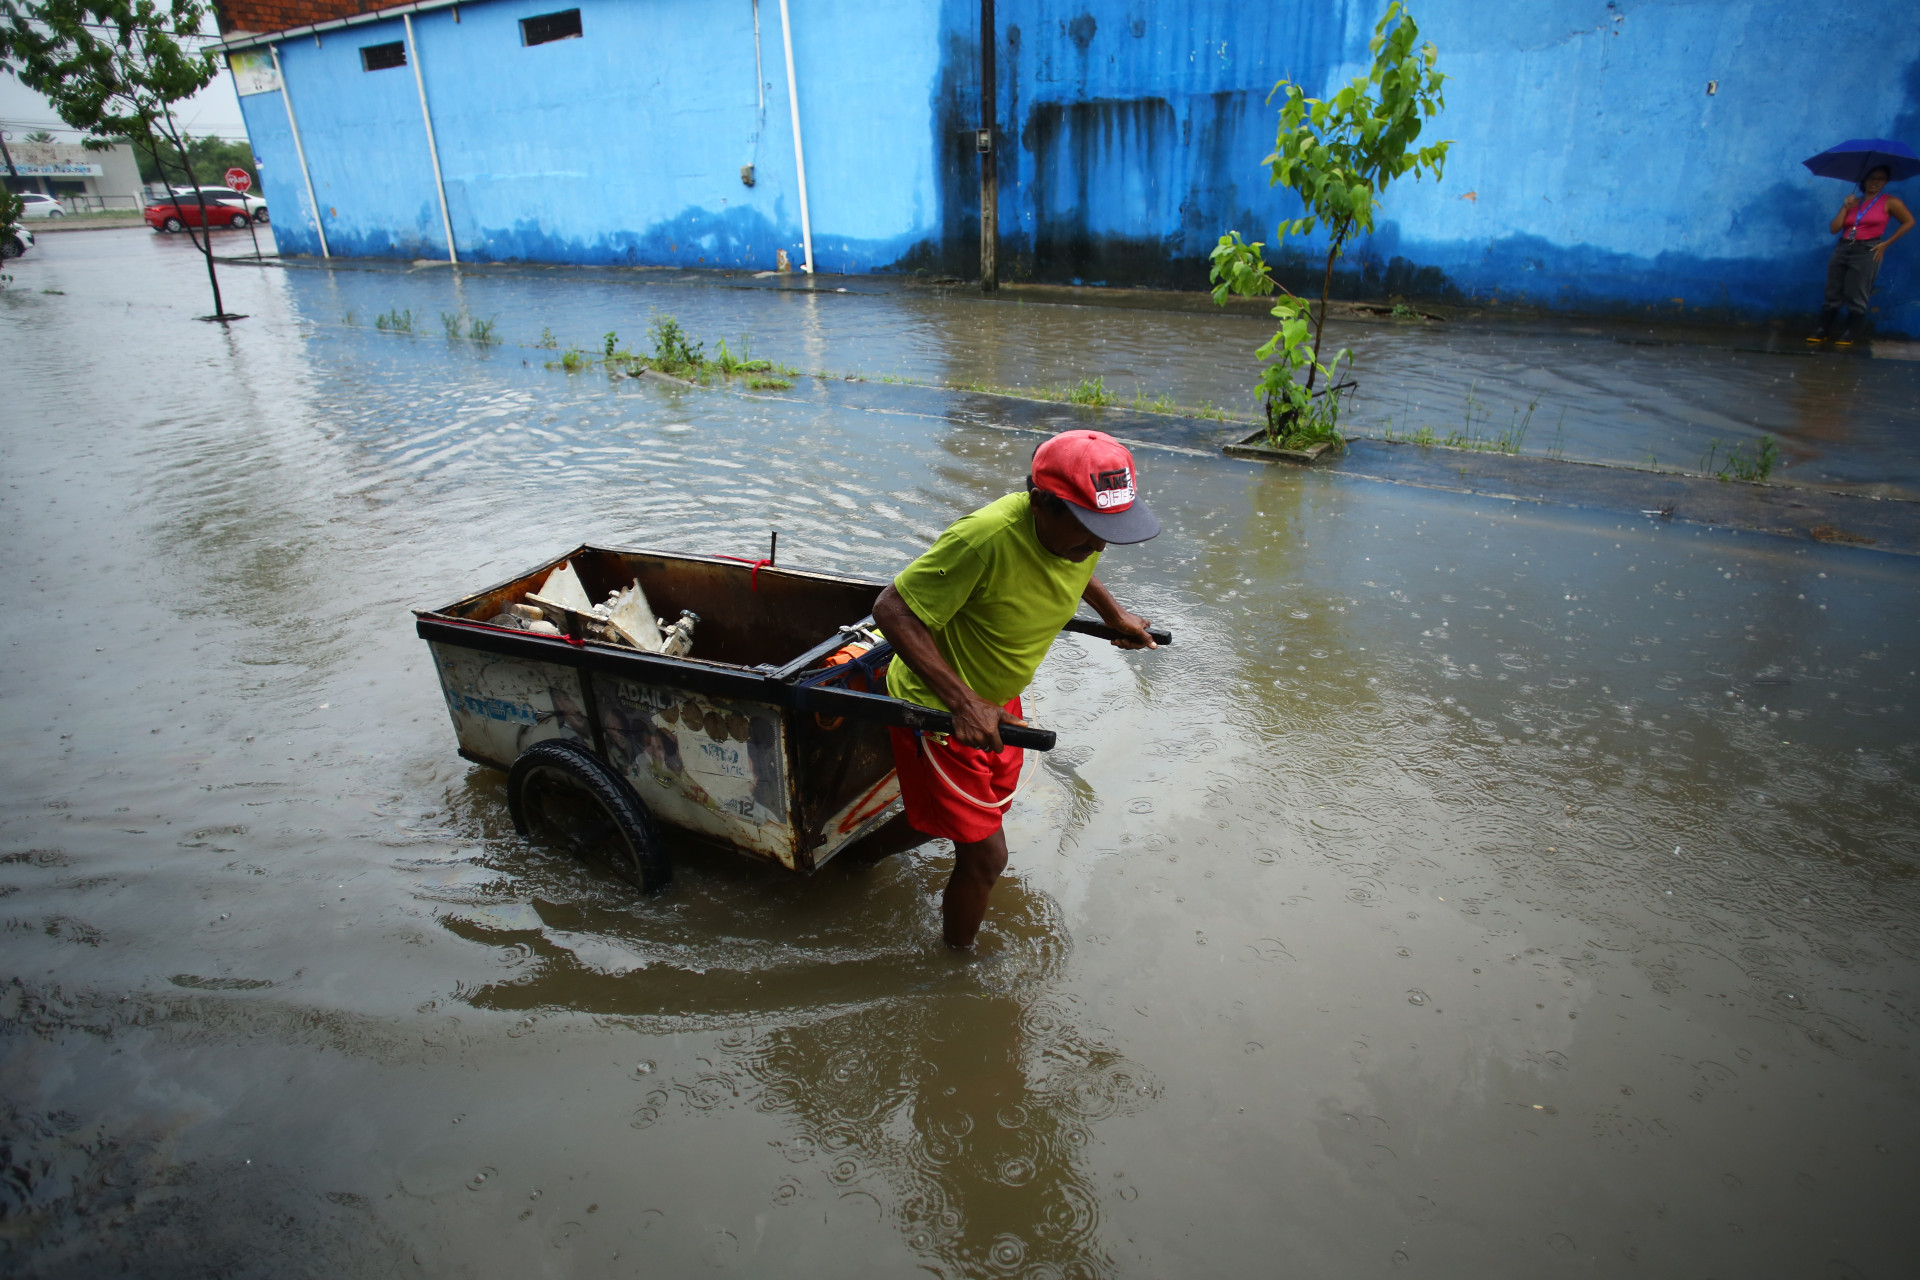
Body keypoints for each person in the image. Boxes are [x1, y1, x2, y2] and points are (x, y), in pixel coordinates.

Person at [873, 430, 1160, 949]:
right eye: (1088, 529)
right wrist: (963, 703)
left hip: (996, 703)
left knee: (964, 818)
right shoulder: (983, 538)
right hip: (940, 706)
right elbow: (891, 609)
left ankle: (850, 864)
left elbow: (1075, 565)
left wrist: (1114, 615)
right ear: (1039, 505)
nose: (1097, 545)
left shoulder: (1075, 538)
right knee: (987, 857)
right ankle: (956, 974)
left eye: (1107, 531)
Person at [1810, 164, 1913, 345]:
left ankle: (1850, 332)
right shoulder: (1854, 203)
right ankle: (1822, 328)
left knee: (1857, 291)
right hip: (1844, 246)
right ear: (1864, 180)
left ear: (1885, 182)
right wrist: (1844, 207)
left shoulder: (1890, 202)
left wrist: (1886, 244)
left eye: (1879, 179)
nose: (1874, 182)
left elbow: (1909, 221)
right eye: (1871, 178)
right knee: (1833, 288)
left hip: (1868, 249)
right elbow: (1834, 228)